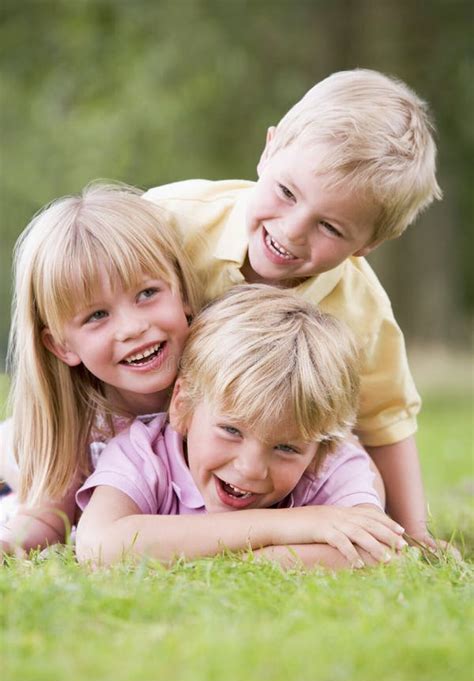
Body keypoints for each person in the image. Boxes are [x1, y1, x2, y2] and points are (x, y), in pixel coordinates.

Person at [143, 68, 442, 547]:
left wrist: (415, 530)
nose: (292, 229)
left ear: (372, 242)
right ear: (269, 149)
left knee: (355, 464)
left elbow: (385, 419)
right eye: (286, 192)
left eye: (331, 227)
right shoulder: (166, 222)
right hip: (129, 429)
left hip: (247, 460)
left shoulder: (360, 308)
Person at [75, 285, 406, 570]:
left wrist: (205, 558)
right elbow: (99, 544)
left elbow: (376, 554)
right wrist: (289, 527)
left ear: (322, 449)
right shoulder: (143, 453)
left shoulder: (331, 462)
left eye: (286, 448)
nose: (250, 469)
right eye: (231, 431)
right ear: (182, 404)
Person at [0, 183, 203, 555]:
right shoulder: (81, 419)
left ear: (182, 293)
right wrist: (11, 543)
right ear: (61, 346)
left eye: (147, 293)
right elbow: (47, 517)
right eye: (97, 315)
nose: (132, 328)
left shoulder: (223, 380)